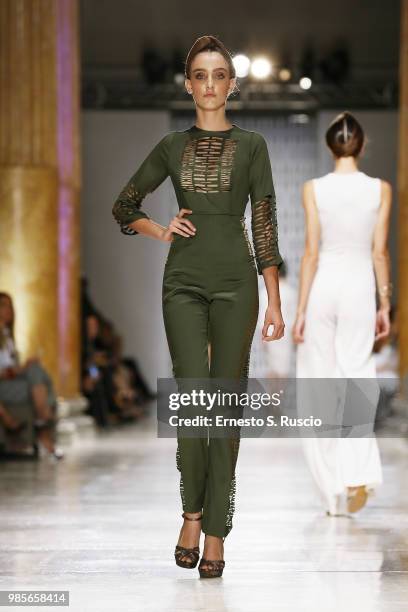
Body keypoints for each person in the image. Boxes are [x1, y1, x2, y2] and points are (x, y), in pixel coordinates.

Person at [112, 35, 284, 578]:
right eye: (200, 76)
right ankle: (190, 513)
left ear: (232, 85)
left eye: (219, 75)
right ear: (188, 85)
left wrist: (274, 300)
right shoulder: (170, 146)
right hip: (182, 279)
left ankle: (215, 531)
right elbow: (124, 204)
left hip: (238, 280)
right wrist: (161, 231)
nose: (210, 85)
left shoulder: (253, 145)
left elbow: (264, 222)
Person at [292, 111, 392, 516]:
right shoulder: (380, 189)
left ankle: (331, 488)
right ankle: (357, 474)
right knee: (357, 380)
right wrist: (384, 302)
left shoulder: (313, 188)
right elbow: (379, 252)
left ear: (330, 146)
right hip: (357, 290)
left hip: (323, 289)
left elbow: (311, 252)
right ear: (362, 145)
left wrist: (299, 310)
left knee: (319, 386)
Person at [0, 292, 64, 459]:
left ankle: (42, 419)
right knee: (36, 373)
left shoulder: (7, 336)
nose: (9, 310)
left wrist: (22, 368)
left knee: (38, 373)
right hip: (4, 384)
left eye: (10, 306)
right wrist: (20, 370)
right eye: (4, 305)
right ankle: (43, 421)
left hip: (12, 381)